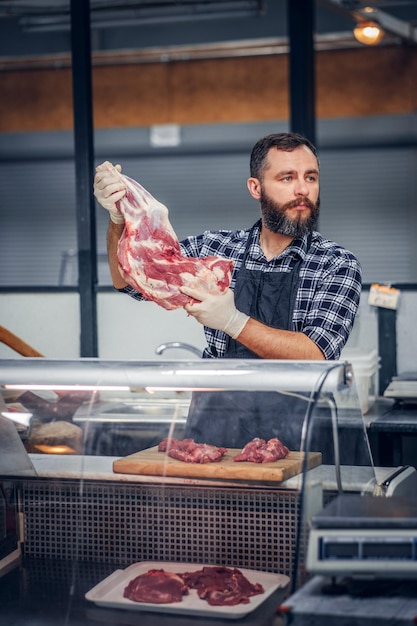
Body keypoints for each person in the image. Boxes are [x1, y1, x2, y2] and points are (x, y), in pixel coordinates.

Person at [93, 132, 363, 457]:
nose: (302, 189)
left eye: (311, 177)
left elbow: (316, 355)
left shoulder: (336, 264)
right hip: (214, 433)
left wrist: (233, 322)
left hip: (296, 444)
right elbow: (128, 280)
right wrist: (119, 219)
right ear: (255, 187)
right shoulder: (218, 249)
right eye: (287, 177)